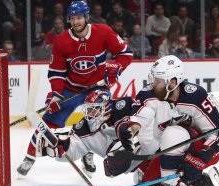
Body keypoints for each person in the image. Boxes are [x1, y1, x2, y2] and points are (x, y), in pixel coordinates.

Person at [17, 1, 133, 176]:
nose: (76, 22)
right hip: (70, 89)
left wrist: (116, 67)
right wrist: (56, 94)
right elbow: (57, 72)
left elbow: (125, 53)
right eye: (72, 18)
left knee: (96, 123)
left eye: (79, 18)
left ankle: (89, 154)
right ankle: (30, 156)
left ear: (86, 17)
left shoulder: (103, 32)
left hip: (97, 88)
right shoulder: (62, 41)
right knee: (48, 121)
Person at [115, 55, 219, 186]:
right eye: (153, 78)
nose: (153, 83)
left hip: (200, 150)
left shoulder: (195, 96)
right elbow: (140, 116)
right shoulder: (149, 94)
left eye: (158, 81)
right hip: (170, 151)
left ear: (173, 82)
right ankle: (199, 185)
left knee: (172, 133)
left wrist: (200, 159)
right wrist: (131, 130)